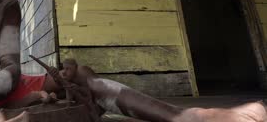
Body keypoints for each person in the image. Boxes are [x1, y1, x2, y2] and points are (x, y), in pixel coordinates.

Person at [38, 58, 267, 122]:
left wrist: (70, 72)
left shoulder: (71, 74)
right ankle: (187, 116)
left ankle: (186, 116)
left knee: (90, 81)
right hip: (66, 101)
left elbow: (76, 68)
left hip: (84, 90)